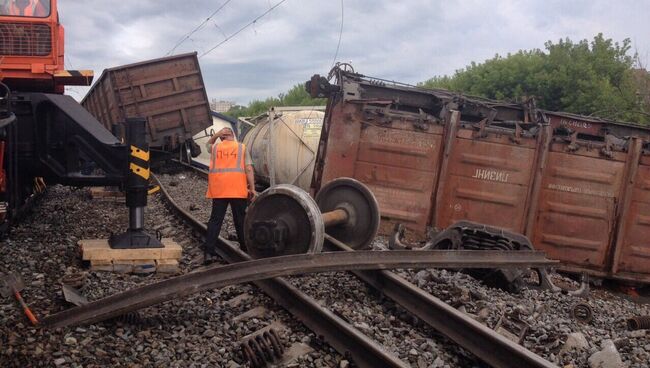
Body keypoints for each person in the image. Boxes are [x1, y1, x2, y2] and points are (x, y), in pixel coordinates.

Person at [203, 127, 255, 261]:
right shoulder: (241, 147)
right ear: (233, 135)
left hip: (219, 190)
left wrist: (216, 135)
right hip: (237, 189)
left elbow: (208, 144)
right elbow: (249, 169)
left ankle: (208, 252)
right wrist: (253, 189)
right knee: (241, 219)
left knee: (215, 220)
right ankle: (245, 250)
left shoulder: (215, 148)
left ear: (221, 137)